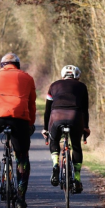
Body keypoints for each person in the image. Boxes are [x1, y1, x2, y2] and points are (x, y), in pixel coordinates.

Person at [0, 52, 36, 208]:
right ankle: (20, 200)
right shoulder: (28, 78)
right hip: (19, 118)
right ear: (17, 65)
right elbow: (31, 105)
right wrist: (30, 124)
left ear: (2, 65)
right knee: (22, 158)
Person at [41, 65, 90, 193]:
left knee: (54, 140)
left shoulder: (54, 85)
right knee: (76, 146)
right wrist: (86, 127)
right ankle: (77, 179)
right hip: (75, 117)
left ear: (63, 75)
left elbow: (47, 111)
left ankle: (56, 164)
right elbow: (85, 110)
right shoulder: (82, 87)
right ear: (77, 76)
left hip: (56, 116)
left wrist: (45, 129)